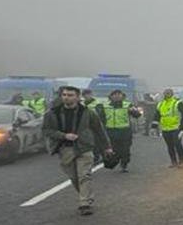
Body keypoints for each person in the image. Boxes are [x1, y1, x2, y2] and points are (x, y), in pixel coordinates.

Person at [42, 86, 112, 215]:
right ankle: (87, 196)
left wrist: (107, 147)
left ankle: (84, 203)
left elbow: (99, 129)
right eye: (64, 95)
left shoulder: (88, 112)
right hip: (65, 149)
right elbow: (46, 130)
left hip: (84, 147)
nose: (66, 97)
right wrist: (63, 135)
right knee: (74, 177)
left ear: (78, 97)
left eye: (70, 95)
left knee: (84, 175)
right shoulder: (53, 113)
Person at [96, 89, 141, 172]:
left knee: (125, 149)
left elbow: (137, 115)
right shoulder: (105, 105)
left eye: (119, 94)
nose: (117, 96)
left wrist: (134, 111)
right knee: (113, 150)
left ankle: (124, 164)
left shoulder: (128, 105)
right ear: (111, 96)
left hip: (124, 131)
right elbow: (100, 118)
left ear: (122, 96)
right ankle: (112, 161)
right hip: (110, 131)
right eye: (115, 94)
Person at [156, 89, 183, 168]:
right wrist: (153, 127)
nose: (167, 94)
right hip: (165, 129)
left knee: (177, 144)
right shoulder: (160, 104)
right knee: (170, 146)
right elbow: (157, 116)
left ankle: (182, 161)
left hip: (176, 128)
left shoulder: (177, 103)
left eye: (168, 93)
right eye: (165, 93)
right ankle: (173, 162)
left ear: (172, 94)